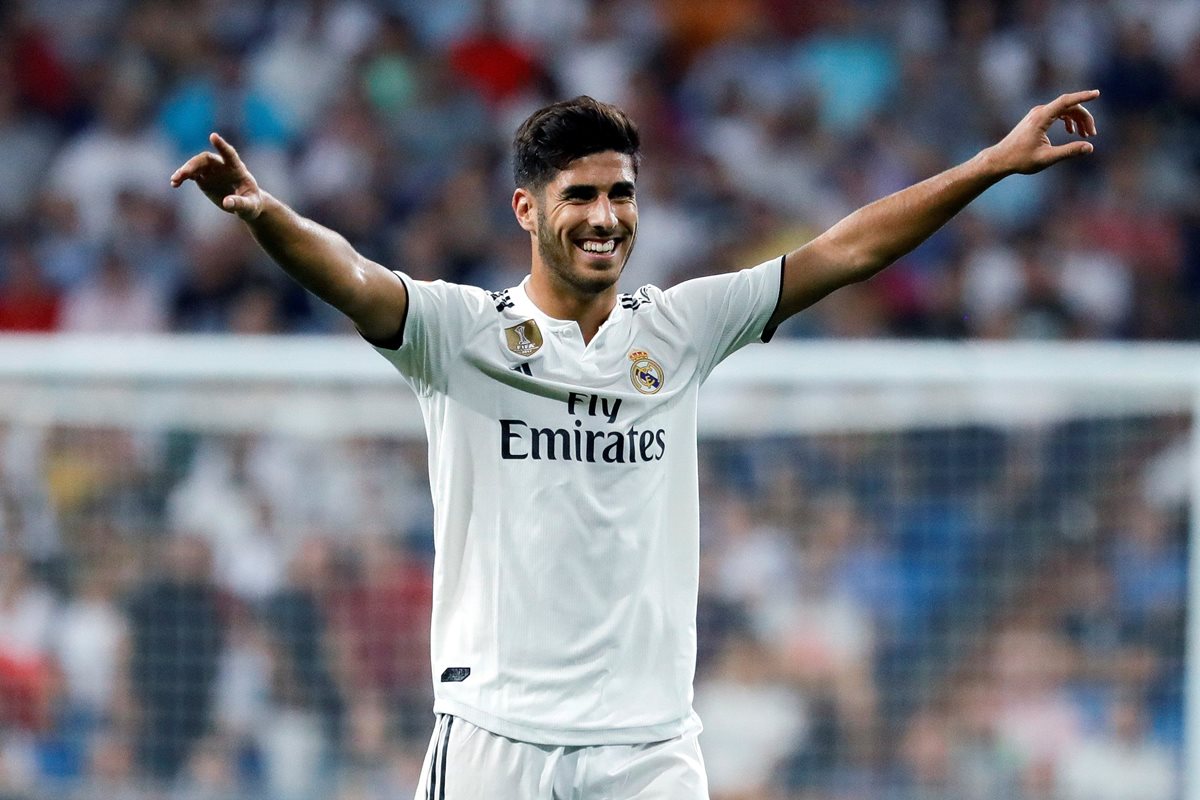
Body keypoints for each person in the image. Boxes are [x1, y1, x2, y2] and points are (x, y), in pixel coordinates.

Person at [170, 90, 1099, 799]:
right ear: (527, 210)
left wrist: (988, 165)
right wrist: (265, 214)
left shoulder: (683, 327)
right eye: (580, 195)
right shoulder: (457, 334)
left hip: (648, 746)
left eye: (622, 193)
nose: (606, 216)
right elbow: (355, 278)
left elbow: (847, 251)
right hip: (498, 735)